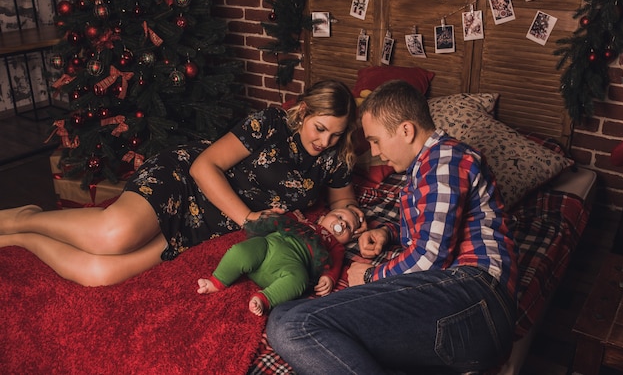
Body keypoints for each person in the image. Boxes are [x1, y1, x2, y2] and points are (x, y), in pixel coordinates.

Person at [0, 80, 365, 287]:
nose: (325, 141)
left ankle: (20, 239)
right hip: (185, 181)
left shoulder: (333, 157)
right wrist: (249, 219)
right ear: (303, 112)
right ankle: (24, 217)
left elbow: (342, 202)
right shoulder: (269, 123)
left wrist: (351, 216)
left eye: (335, 134)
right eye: (320, 129)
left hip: (207, 224)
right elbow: (205, 167)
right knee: (113, 235)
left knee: (100, 274)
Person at [266, 80, 519, 374]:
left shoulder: (447, 160)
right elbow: (433, 227)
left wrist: (371, 274)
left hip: (475, 296)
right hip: (454, 307)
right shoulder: (423, 170)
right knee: (283, 316)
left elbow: (430, 256)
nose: (373, 152)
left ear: (406, 130)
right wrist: (387, 233)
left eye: (375, 140)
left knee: (298, 326)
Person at [197, 207, 359, 316]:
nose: (342, 223)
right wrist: (278, 215)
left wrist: (328, 277)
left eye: (350, 227)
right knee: (241, 250)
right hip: (268, 246)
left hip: (291, 265)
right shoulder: (304, 223)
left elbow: (335, 263)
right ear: (322, 217)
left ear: (350, 239)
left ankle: (265, 298)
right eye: (339, 216)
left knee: (299, 280)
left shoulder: (336, 246)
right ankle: (217, 281)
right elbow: (280, 221)